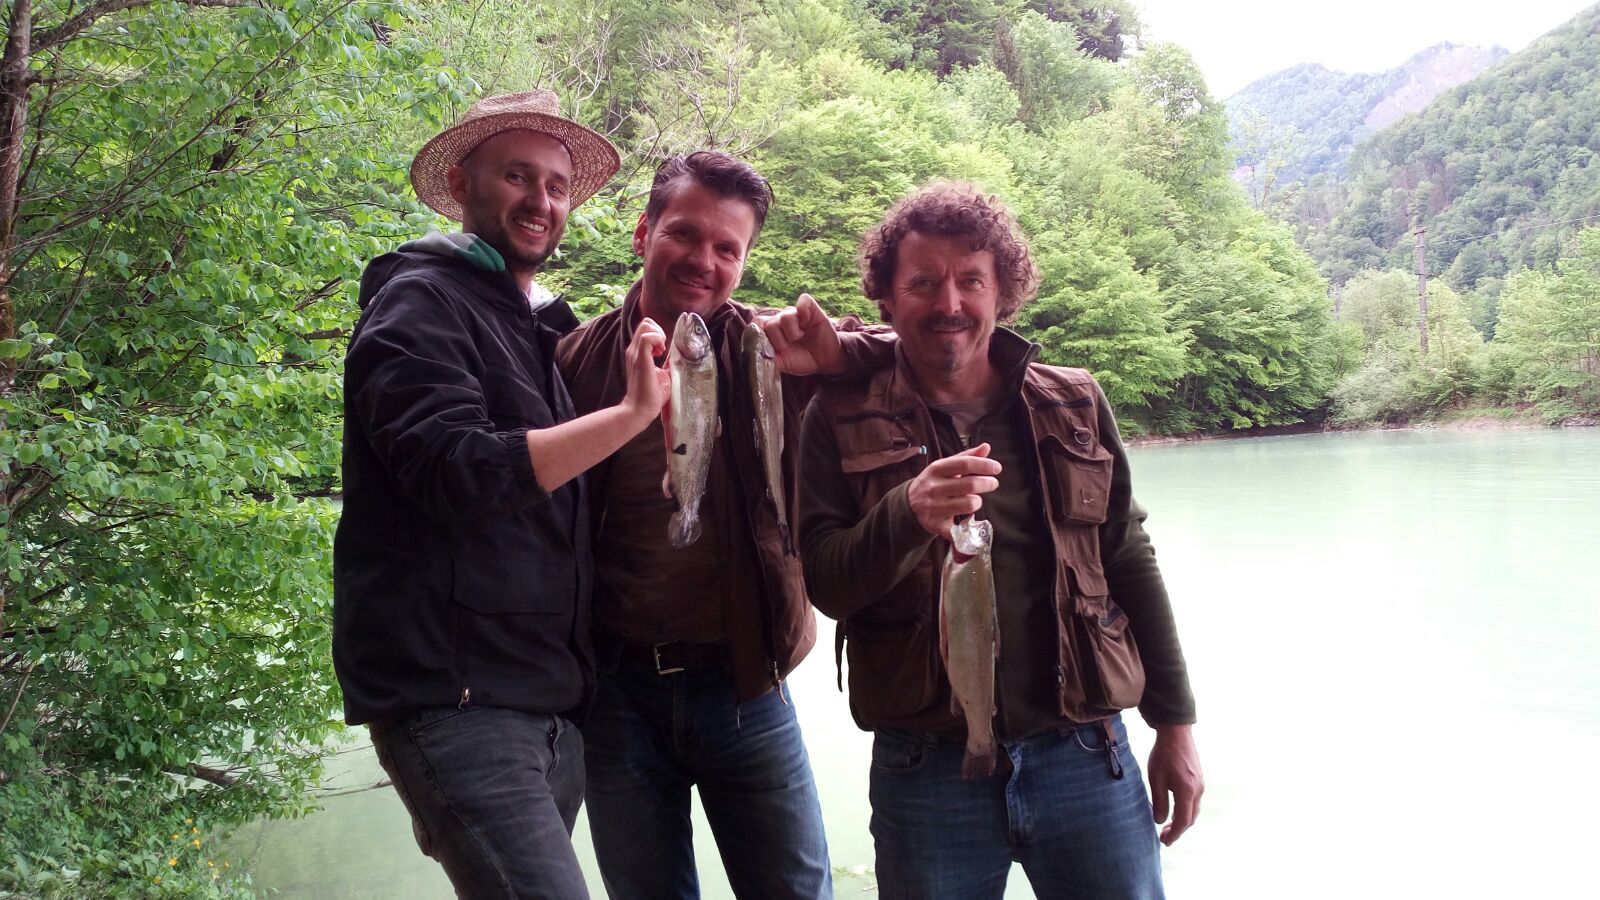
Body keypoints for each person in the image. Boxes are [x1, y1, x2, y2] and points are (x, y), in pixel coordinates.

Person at [797, 182, 1204, 900]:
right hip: (925, 770)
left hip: (1087, 753)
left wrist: (1175, 723)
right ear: (887, 297)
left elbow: (1127, 558)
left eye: (971, 280)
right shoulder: (835, 415)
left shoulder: (1074, 401)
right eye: (923, 282)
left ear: (1003, 291)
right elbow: (827, 583)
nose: (949, 303)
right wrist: (905, 513)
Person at [333, 90, 670, 899]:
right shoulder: (420, 301)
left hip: (551, 709)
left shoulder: (541, 326)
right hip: (456, 701)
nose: (541, 201)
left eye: (557, 185)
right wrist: (630, 415)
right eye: (517, 177)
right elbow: (458, 472)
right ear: (462, 185)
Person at [556, 151, 892, 899]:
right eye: (684, 233)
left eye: (727, 248)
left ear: (743, 263)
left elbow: (914, 357)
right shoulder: (576, 360)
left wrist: (838, 355)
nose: (702, 261)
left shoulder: (768, 351)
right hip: (614, 695)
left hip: (746, 681)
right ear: (643, 233)